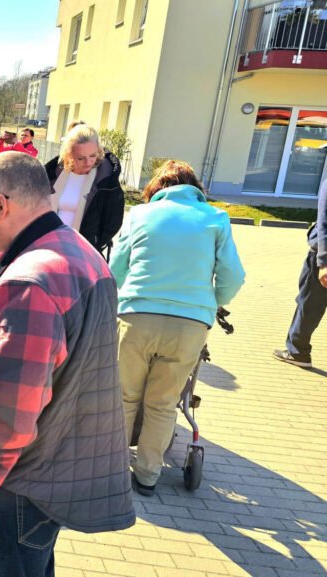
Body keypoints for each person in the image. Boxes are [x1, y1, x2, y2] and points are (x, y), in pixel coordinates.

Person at [0, 152, 135, 577]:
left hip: (13, 487)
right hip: (48, 473)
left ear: (1, 203)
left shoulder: (30, 282)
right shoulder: (80, 251)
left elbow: (9, 412)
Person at [111, 160, 245, 495]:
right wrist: (212, 302)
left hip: (137, 316)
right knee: (163, 402)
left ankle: (112, 470)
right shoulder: (215, 219)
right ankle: (147, 475)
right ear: (194, 187)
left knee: (125, 396)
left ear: (157, 188)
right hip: (190, 324)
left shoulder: (140, 215)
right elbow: (233, 276)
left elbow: (115, 269)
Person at [44, 124, 125, 254]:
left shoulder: (107, 181)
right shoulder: (54, 174)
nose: (88, 162)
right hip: (48, 247)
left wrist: (94, 243)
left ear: (99, 150)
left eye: (93, 156)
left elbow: (113, 222)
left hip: (84, 252)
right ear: (69, 154)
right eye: (80, 158)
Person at [274, 175, 327, 367]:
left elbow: (324, 222)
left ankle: (298, 352)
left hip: (321, 258)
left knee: (310, 304)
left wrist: (323, 262)